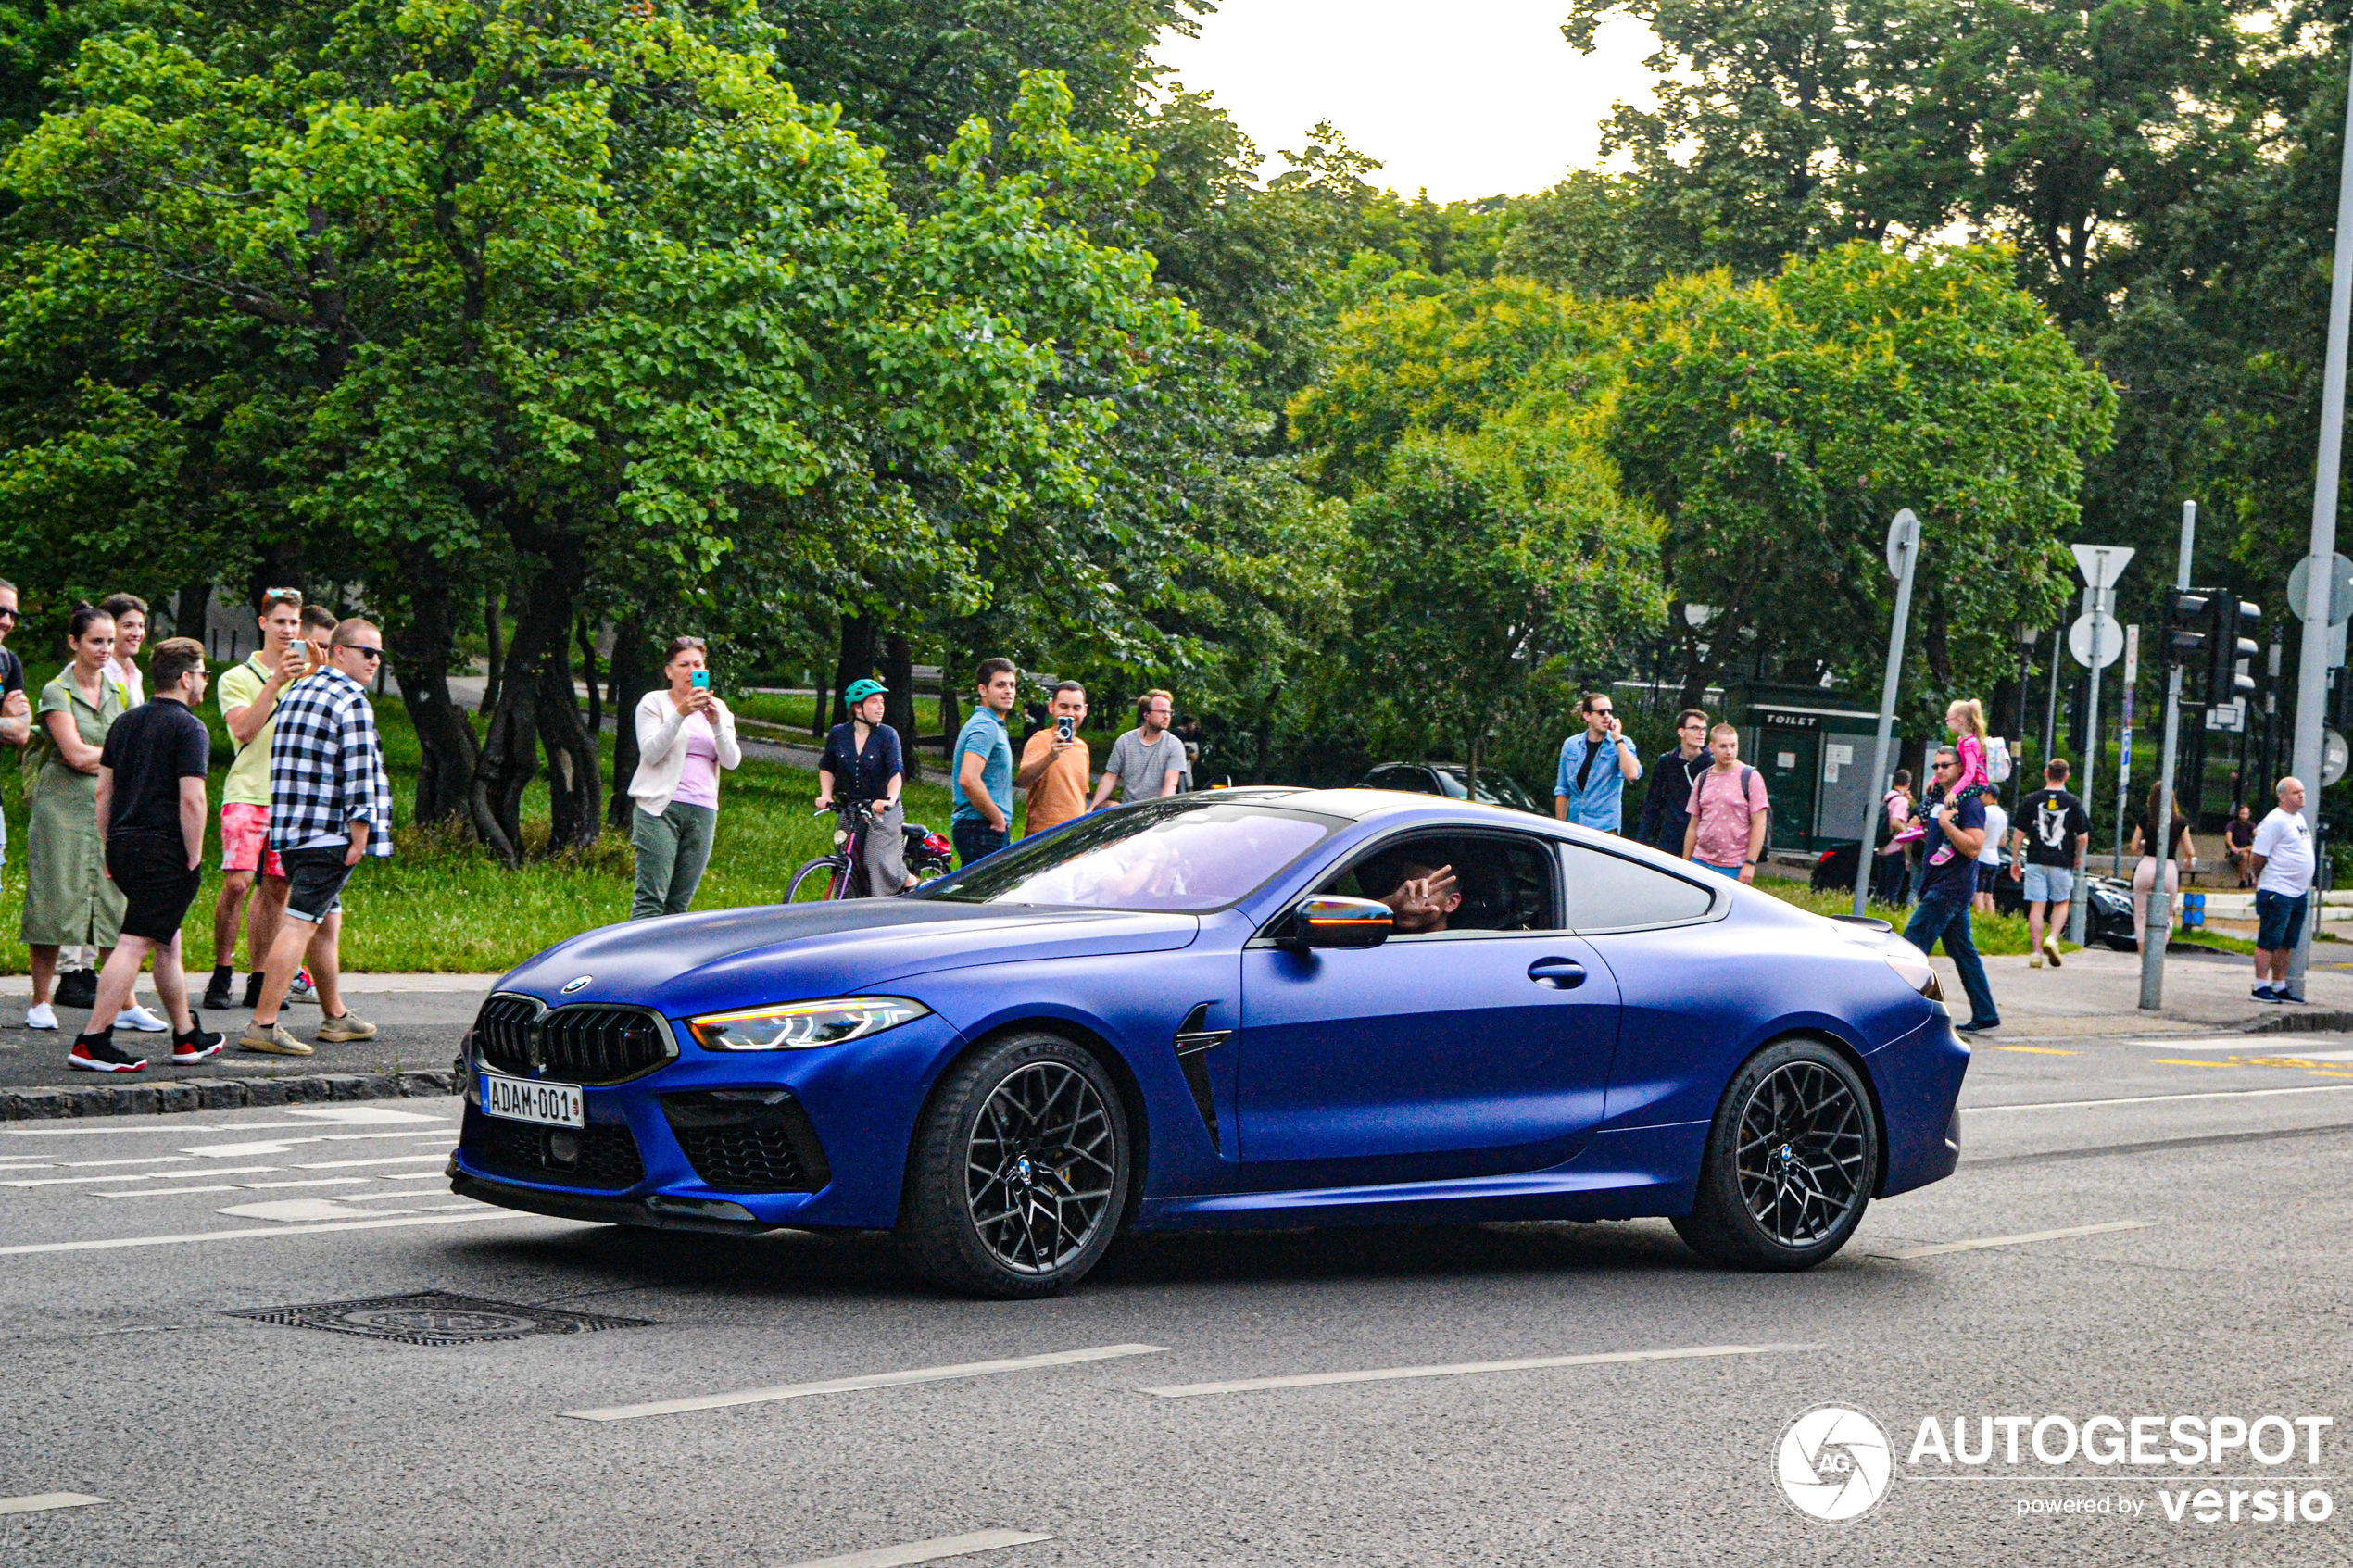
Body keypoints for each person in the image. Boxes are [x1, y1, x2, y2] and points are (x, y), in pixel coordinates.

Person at [69, 639, 224, 1072]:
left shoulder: (125, 722)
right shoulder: (190, 728)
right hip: (164, 849)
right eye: (203, 674)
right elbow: (192, 799)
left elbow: (104, 789)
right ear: (186, 678)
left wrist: (107, 845)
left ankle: (185, 1036)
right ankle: (92, 1039)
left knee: (166, 940)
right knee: (136, 940)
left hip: (124, 843)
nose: (205, 682)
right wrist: (193, 855)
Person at [241, 620, 395, 1054]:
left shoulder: (298, 693)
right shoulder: (350, 699)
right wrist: (360, 835)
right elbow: (360, 774)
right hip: (331, 835)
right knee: (300, 923)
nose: (376, 662)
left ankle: (336, 1016)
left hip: (292, 833)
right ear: (340, 652)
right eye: (368, 653)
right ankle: (263, 1024)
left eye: (379, 655)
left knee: (327, 924)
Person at [22, 607, 170, 1034]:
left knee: (111, 901)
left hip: (107, 806)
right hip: (61, 809)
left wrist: (102, 758)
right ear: (74, 642)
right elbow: (72, 752)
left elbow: (114, 751)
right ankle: (40, 1001)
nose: (106, 649)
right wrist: (113, 758)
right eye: (96, 641)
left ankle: (125, 1002)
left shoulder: (120, 691)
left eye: (110, 641)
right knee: (55, 897)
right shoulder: (56, 691)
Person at [208, 589, 312, 1011]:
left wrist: (313, 678)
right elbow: (244, 730)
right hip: (247, 792)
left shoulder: (307, 675)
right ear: (264, 623)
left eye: (295, 623)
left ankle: (260, 976)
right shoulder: (236, 677)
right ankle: (220, 971)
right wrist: (275, 682)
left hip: (288, 798)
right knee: (236, 883)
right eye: (281, 621)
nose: (289, 630)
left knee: (277, 887)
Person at [627, 635, 741, 920]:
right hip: (660, 808)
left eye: (698, 664)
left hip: (702, 811)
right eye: (684, 665)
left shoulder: (719, 709)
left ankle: (667, 964)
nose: (692, 671)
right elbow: (651, 752)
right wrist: (680, 714)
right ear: (669, 671)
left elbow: (731, 761)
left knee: (678, 907)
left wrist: (717, 726)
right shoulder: (654, 703)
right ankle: (633, 961)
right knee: (652, 900)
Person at [1903, 746, 1999, 1033]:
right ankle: (1986, 1013)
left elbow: (1973, 847)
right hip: (1940, 884)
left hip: (1949, 888)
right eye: (1936, 766)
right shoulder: (1937, 800)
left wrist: (1945, 825)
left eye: (1946, 765)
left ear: (1960, 768)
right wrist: (1918, 830)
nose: (1940, 770)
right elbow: (1935, 842)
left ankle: (1900, 1012)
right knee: (1963, 952)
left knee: (1909, 949)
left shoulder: (1969, 804)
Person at [814, 677, 912, 896]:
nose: (881, 707)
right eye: (874, 702)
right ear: (858, 708)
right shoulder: (839, 734)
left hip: (882, 808)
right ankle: (849, 904)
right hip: (852, 807)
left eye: (882, 702)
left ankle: (906, 880)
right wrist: (825, 794)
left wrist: (889, 800)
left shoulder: (888, 735)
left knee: (875, 857)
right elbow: (827, 766)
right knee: (845, 854)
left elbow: (896, 772)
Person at [2009, 759, 2089, 969]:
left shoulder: (2031, 800)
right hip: (2062, 860)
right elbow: (2082, 837)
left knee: (2037, 904)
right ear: (2067, 776)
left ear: (2046, 773)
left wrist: (2015, 860)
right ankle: (2052, 939)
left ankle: (2036, 953)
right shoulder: (2073, 802)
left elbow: (2018, 833)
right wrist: (2078, 856)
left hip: (2035, 859)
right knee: (2061, 902)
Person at [2249, 776, 2316, 1004]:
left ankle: (2279, 985)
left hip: (2297, 892)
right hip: (2277, 889)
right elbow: (2258, 856)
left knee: (2286, 942)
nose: (2301, 795)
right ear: (2282, 796)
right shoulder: (2274, 820)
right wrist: (2258, 878)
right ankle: (2260, 986)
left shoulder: (2298, 819)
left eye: (2302, 791)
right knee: (2269, 939)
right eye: (2296, 792)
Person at [950, 658, 1018, 867]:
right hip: (981, 828)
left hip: (980, 828)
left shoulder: (992, 725)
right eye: (1000, 685)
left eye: (1012, 685)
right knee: (979, 900)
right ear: (982, 690)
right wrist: (998, 819)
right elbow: (968, 779)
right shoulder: (985, 726)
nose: (1008, 691)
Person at [1681, 723, 1770, 882]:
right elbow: (1694, 825)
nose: (1729, 751)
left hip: (1734, 865)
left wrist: (1750, 863)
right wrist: (1686, 863)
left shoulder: (1750, 777)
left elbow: (1760, 824)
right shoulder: (1702, 779)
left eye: (1733, 746)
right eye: (1723, 746)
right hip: (1700, 861)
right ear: (1712, 747)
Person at [1554, 692, 1642, 831]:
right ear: (1587, 716)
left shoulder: (1622, 743)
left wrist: (1617, 739)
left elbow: (1632, 774)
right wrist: (1560, 827)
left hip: (1604, 828)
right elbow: (1563, 790)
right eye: (1601, 712)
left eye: (1610, 712)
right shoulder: (1571, 745)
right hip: (1575, 825)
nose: (1607, 716)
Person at [1090, 688, 1189, 809]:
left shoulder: (1174, 745)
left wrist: (1159, 812)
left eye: (1169, 713)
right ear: (1146, 715)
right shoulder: (1125, 741)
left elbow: (1171, 784)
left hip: (1156, 812)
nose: (1167, 717)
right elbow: (1110, 777)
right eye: (1162, 712)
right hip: (1128, 810)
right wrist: (1092, 809)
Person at [2126, 781, 2196, 951]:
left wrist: (2145, 842)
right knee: (2167, 913)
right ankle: (2158, 951)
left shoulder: (2145, 818)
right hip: (2168, 868)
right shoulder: (2180, 822)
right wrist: (2187, 859)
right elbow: (2190, 850)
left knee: (2141, 914)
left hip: (2147, 865)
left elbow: (2133, 847)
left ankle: (2144, 959)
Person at [1017, 680, 1091, 838]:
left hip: (1075, 836)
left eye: (1076, 708)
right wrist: (1051, 756)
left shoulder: (1082, 748)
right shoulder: (1040, 740)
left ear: (1085, 710)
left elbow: (1078, 796)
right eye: (1064, 707)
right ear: (1051, 707)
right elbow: (1023, 779)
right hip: (1045, 837)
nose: (1070, 713)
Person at [1926, 697, 1992, 872]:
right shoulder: (1962, 742)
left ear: (1960, 720)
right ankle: (1922, 821)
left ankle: (1947, 846)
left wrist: (1954, 791)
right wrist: (1934, 780)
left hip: (1977, 783)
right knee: (1935, 792)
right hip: (1968, 781)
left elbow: (1969, 772)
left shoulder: (1971, 744)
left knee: (1952, 802)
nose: (1947, 723)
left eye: (1949, 719)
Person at [1634, 709, 1712, 854]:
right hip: (1671, 838)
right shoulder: (1667, 762)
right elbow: (1653, 803)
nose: (1701, 733)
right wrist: (1642, 840)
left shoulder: (1711, 764)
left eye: (1704, 729)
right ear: (1681, 732)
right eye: (1695, 728)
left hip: (1702, 839)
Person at [0, 581, 27, 922]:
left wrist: (9, 722)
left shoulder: (7, 662)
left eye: (12, 614)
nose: (7, 620)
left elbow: (21, 731)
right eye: (0, 611)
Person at [1375, 859, 1460, 934]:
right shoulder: (1379, 934)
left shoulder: (1458, 943)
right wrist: (1389, 904)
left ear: (1451, 903)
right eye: (1406, 887)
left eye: (1423, 890)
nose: (1409, 897)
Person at [1872, 770, 1916, 905]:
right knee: (1892, 889)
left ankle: (1874, 910)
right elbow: (1896, 821)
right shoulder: (1901, 801)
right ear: (1908, 784)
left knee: (1881, 886)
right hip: (1895, 849)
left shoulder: (1887, 797)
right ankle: (1888, 913)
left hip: (1882, 848)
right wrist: (1908, 833)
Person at [1973, 796, 2009, 916]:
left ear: (1989, 795)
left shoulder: (1985, 812)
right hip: (1994, 859)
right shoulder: (2003, 815)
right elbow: (2003, 842)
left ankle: (1980, 920)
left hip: (1981, 857)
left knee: (1978, 892)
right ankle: (1991, 920)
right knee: (1989, 895)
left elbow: (1979, 833)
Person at [2225, 803, 2258, 887]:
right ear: (2238, 814)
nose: (2244, 816)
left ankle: (2254, 879)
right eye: (2242, 814)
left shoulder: (2251, 825)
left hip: (2247, 851)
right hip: (2235, 853)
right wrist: (2235, 848)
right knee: (2245, 856)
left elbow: (2259, 836)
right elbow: (2228, 840)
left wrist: (2245, 849)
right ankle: (2242, 880)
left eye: (2246, 814)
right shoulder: (2232, 825)